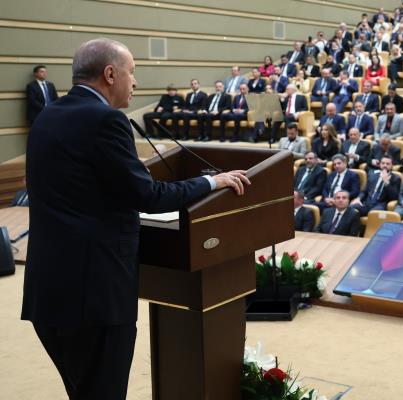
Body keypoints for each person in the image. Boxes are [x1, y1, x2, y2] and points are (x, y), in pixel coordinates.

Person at [23, 38, 249, 400]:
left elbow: (81, 185)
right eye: (131, 72)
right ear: (110, 74)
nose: (135, 82)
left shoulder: (48, 115)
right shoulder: (107, 120)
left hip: (48, 293)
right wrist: (212, 182)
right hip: (95, 298)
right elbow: (149, 197)